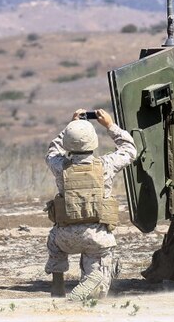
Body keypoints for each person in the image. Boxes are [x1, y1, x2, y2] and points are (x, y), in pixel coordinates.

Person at [44, 108, 137, 301]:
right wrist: (110, 126)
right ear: (93, 142)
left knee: (53, 240)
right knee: (98, 293)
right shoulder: (106, 165)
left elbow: (52, 150)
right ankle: (93, 281)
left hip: (65, 237)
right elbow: (129, 149)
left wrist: (71, 126)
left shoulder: (60, 166)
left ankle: (58, 282)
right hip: (97, 238)